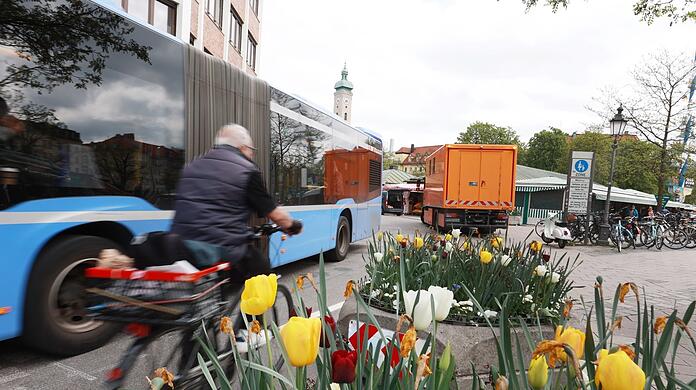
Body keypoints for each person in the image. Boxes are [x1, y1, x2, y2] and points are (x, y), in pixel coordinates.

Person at [170, 124, 301, 280]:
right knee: (262, 274)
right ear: (242, 147)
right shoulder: (247, 170)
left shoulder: (191, 166)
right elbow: (275, 214)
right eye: (252, 150)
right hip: (220, 247)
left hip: (180, 245)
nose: (252, 154)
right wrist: (292, 226)